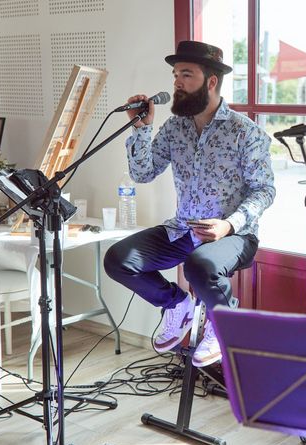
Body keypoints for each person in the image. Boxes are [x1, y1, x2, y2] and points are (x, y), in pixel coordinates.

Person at [104, 41, 275, 367]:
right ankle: (175, 305)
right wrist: (141, 128)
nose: (177, 82)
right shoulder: (174, 128)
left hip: (233, 235)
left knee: (198, 265)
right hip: (183, 229)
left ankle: (223, 324)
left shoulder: (245, 132)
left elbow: (264, 191)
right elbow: (143, 173)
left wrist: (229, 224)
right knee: (118, 259)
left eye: (186, 74)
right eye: (175, 75)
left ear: (211, 81)